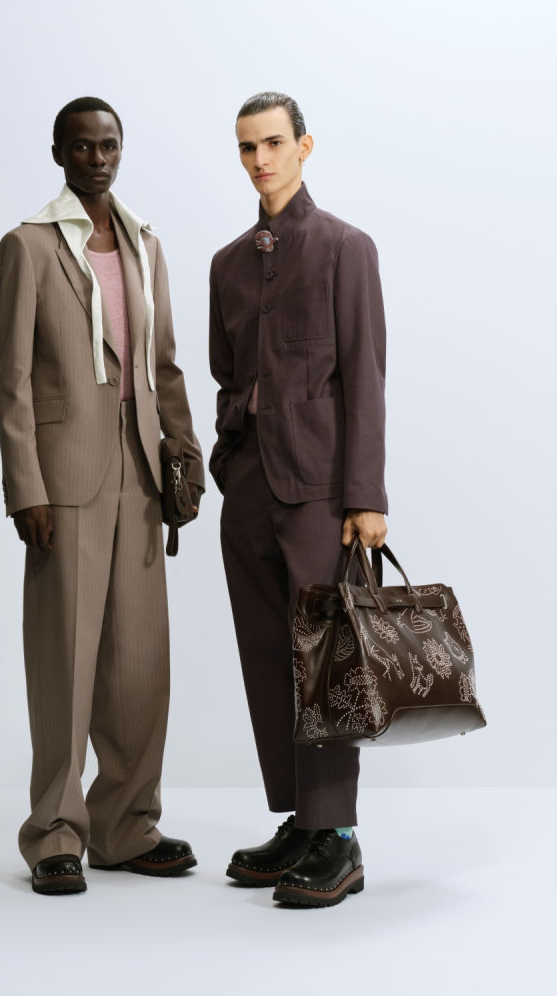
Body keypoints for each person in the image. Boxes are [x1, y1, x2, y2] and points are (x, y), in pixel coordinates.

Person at [0, 97, 204, 895]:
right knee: (66, 659)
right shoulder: (29, 245)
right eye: (82, 147)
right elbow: (12, 380)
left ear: (123, 149)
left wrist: (184, 455)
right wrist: (26, 486)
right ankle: (55, 831)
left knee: (139, 662)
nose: (97, 158)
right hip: (65, 477)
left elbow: (165, 364)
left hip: (141, 470)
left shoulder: (147, 243)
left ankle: (127, 826)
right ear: (58, 153)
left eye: (109, 145)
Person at [208, 92, 388, 907]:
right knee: (266, 657)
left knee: (326, 663)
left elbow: (366, 378)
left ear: (304, 146)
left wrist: (365, 495)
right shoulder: (227, 264)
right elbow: (226, 374)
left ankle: (338, 836)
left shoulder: (347, 248)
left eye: (274, 143)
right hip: (249, 489)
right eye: (248, 147)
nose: (261, 160)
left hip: (321, 493)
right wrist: (227, 454)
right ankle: (300, 822)